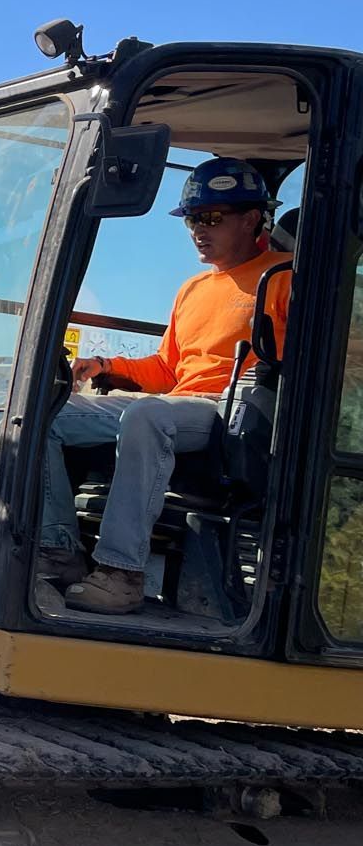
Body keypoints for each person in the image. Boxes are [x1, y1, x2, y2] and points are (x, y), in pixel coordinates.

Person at [38, 157, 292, 614]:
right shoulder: (192, 288)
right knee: (44, 410)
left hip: (231, 408)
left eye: (212, 218)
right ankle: (59, 551)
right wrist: (103, 363)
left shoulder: (286, 276)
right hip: (179, 401)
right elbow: (167, 367)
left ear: (251, 219)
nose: (199, 229)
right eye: (193, 219)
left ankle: (121, 572)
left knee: (147, 414)